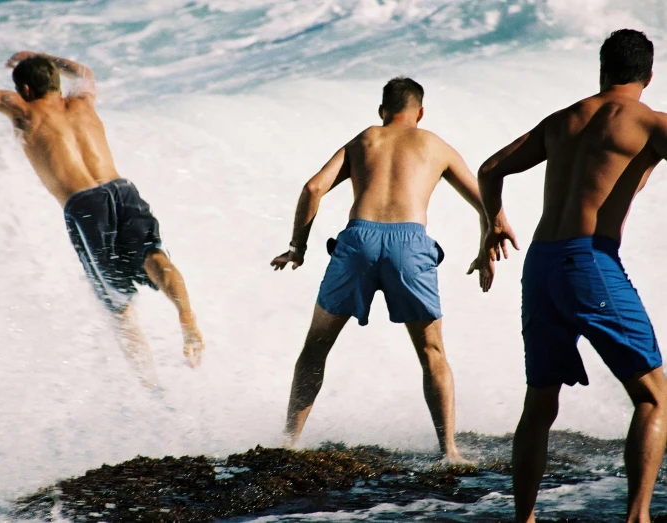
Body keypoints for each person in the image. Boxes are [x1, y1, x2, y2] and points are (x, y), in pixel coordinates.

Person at [477, 29, 667, 523]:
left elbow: (490, 168)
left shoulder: (563, 119)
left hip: (540, 264)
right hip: (590, 262)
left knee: (540, 401)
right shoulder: (651, 123)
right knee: (654, 398)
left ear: (602, 69)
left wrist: (492, 223)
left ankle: (525, 518)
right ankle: (639, 518)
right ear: (650, 74)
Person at [271, 76, 513, 462]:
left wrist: (296, 248)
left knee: (316, 347)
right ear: (420, 112)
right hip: (410, 245)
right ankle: (448, 451)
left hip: (358, 242)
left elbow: (313, 188)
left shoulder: (365, 138)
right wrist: (488, 241)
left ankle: (288, 443)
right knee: (432, 351)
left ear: (382, 112)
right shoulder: (435, 144)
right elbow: (486, 197)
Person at [0, 49, 204, 385]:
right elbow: (85, 72)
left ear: (26, 91)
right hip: (122, 189)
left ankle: (153, 389)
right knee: (153, 254)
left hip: (84, 205)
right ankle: (187, 317)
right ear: (56, 83)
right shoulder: (83, 103)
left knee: (119, 309)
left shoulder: (24, 110)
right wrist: (42, 57)